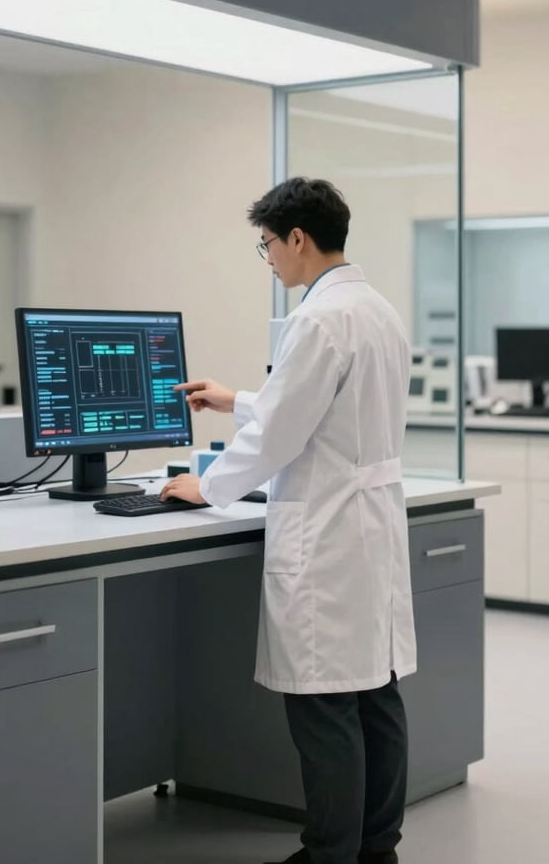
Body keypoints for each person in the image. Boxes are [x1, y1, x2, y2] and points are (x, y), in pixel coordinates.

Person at [161, 176, 416, 864]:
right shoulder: (376, 310)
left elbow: (282, 435)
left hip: (331, 531)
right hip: (368, 527)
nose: (269, 257)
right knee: (375, 696)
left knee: (327, 708)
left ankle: (329, 852)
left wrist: (206, 485)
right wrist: (239, 398)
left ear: (297, 237)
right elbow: (318, 410)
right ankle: (375, 847)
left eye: (268, 244)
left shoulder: (317, 319)